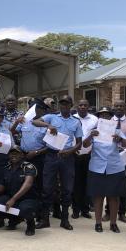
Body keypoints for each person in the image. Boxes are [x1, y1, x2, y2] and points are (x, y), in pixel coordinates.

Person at [32, 95, 83, 230]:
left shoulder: (76, 122)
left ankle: (65, 219)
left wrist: (70, 151)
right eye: (62, 104)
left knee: (67, 189)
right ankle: (45, 219)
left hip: (67, 157)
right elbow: (35, 122)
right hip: (51, 155)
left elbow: (79, 144)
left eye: (67, 104)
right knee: (47, 188)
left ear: (71, 105)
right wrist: (48, 125)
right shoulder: (52, 117)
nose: (64, 106)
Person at [82, 106, 126, 233]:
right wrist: (90, 136)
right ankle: (98, 223)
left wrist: (119, 139)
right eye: (102, 115)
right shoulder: (94, 130)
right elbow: (85, 145)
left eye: (107, 115)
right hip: (97, 167)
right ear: (99, 117)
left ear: (110, 117)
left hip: (114, 167)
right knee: (98, 196)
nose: (104, 117)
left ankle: (113, 223)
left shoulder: (117, 130)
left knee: (113, 197)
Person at [0, 146, 40, 236]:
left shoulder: (28, 167)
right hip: (11, 198)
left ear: (22, 155)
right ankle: (14, 218)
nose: (13, 155)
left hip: (28, 199)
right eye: (11, 153)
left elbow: (27, 184)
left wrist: (13, 199)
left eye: (16, 153)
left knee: (25, 209)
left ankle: (30, 224)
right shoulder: (7, 168)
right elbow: (0, 189)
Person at [11, 98, 49, 204]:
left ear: (42, 110)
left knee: (40, 183)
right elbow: (12, 132)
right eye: (30, 107)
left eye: (34, 108)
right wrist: (16, 122)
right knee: (24, 182)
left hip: (39, 157)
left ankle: (40, 209)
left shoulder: (46, 123)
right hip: (25, 156)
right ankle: (26, 206)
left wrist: (37, 152)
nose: (31, 110)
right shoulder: (25, 120)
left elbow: (50, 145)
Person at [72, 99, 98, 219]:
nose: (82, 107)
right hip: (74, 154)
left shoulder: (94, 119)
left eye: (85, 105)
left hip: (88, 155)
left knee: (87, 183)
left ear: (88, 107)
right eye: (80, 105)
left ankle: (85, 209)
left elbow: (97, 136)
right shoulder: (72, 118)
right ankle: (76, 210)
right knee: (76, 184)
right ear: (77, 107)